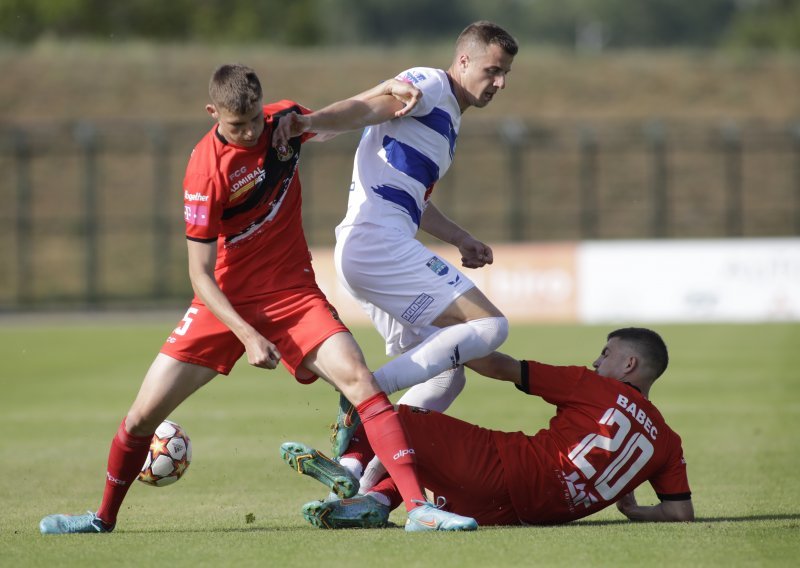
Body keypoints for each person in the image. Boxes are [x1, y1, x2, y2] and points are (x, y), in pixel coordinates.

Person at [39, 63, 479, 535]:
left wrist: (382, 89)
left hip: (293, 295)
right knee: (143, 415)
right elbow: (200, 275)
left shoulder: (281, 125)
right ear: (212, 113)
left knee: (360, 382)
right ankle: (101, 518)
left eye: (254, 120)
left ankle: (417, 509)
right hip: (223, 304)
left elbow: (335, 117)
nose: (249, 132)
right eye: (236, 125)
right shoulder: (205, 170)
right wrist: (247, 335)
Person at [272, 21, 519, 461]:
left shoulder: (448, 122)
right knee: (490, 326)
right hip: (377, 243)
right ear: (463, 60)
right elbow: (369, 109)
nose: (499, 83)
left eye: (505, 75)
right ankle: (364, 391)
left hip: (371, 247)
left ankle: (358, 473)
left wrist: (461, 237)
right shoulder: (429, 82)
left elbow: (413, 200)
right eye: (492, 70)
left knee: (446, 377)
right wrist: (309, 123)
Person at [281, 328, 694, 528]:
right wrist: (634, 510)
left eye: (606, 354)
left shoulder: (595, 386)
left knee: (385, 413)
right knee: (418, 462)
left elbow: (501, 368)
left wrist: (453, 337)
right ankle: (377, 502)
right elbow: (680, 513)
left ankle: (349, 469)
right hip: (516, 515)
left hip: (504, 470)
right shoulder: (668, 443)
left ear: (629, 365)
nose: (595, 362)